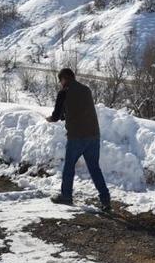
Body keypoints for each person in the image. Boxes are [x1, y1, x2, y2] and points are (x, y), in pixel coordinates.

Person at [45, 68, 111, 211]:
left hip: (77, 137)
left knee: (69, 166)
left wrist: (50, 119)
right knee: (94, 167)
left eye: (60, 80)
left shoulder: (64, 92)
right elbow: (80, 110)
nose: (60, 83)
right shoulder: (86, 90)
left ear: (64, 79)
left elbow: (56, 116)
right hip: (94, 135)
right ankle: (105, 199)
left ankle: (66, 196)